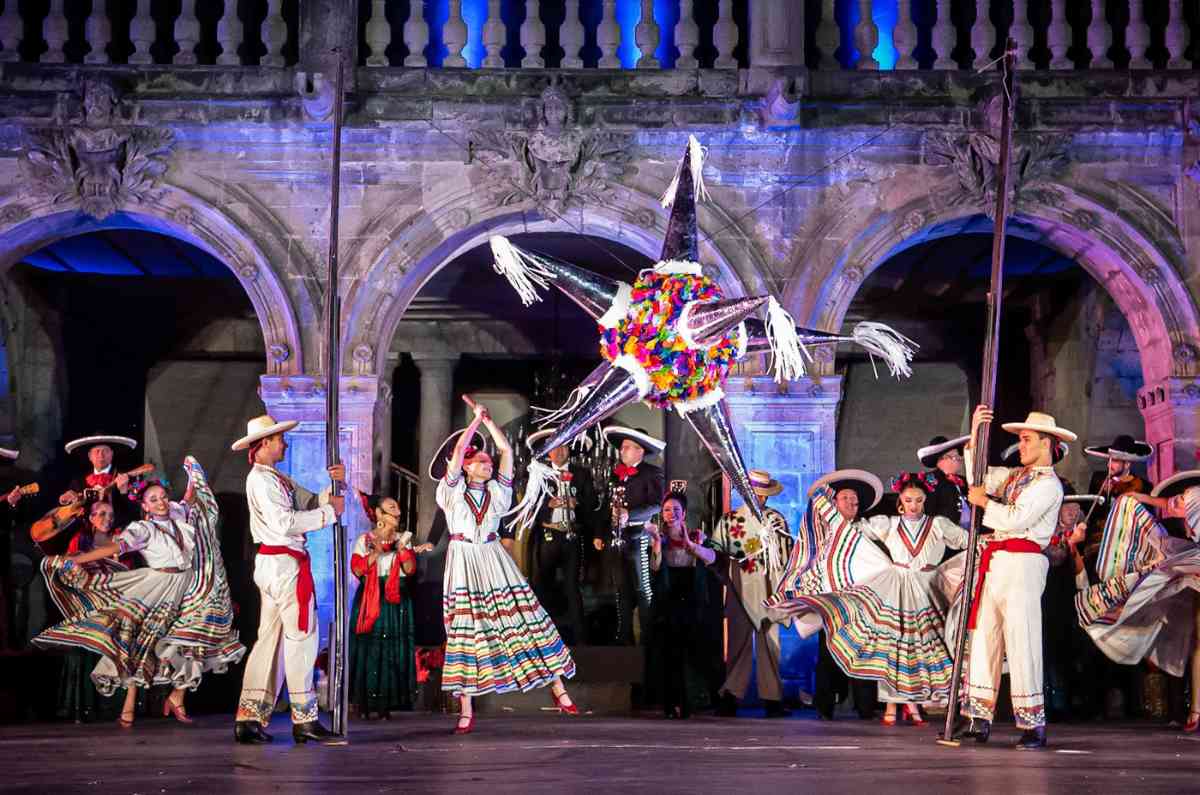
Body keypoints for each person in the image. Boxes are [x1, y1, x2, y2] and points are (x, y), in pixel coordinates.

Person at [35, 457, 245, 728]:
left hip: (189, 584)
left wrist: (193, 471)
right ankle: (129, 705)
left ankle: (177, 695)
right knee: (140, 643)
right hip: (159, 586)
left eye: (162, 498)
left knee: (202, 635)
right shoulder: (143, 529)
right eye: (153, 500)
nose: (160, 502)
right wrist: (78, 560)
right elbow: (113, 549)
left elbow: (190, 498)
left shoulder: (178, 515)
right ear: (144, 507)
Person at [770, 470, 967, 725]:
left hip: (926, 588)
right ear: (900, 501)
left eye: (918, 500)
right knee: (895, 645)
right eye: (908, 500)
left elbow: (965, 540)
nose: (913, 505)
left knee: (924, 645)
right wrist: (829, 515)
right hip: (896, 588)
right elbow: (856, 532)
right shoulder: (889, 523)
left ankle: (916, 705)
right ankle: (889, 706)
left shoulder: (938, 524)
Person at [437, 396, 576, 735]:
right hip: (464, 559)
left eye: (487, 461)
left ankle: (558, 688)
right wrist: (473, 424)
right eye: (480, 461)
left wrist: (488, 422)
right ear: (468, 467)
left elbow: (508, 454)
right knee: (466, 632)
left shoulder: (498, 493)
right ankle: (466, 710)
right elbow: (457, 455)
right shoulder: (450, 493)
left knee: (524, 617)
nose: (487, 465)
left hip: (493, 556)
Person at [960, 407, 1073, 749]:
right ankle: (979, 719)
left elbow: (1015, 517)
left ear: (1046, 443)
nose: (1020, 446)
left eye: (1026, 440)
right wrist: (976, 435)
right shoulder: (1015, 476)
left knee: (1021, 639)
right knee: (985, 637)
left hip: (1023, 562)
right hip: (997, 561)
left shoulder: (1049, 486)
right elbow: (978, 476)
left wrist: (984, 504)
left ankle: (1032, 724)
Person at [231, 415, 346, 745]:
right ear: (265, 443)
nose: (284, 442)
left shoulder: (272, 476)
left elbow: (309, 501)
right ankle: (304, 718)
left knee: (271, 639)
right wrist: (330, 514)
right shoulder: (263, 481)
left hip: (276, 562)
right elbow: (285, 522)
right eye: (279, 438)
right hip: (283, 563)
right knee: (301, 637)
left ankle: (250, 718)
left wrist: (334, 486)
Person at [1073, 469, 1200, 732]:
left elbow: (1171, 505)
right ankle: (1195, 710)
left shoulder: (1194, 496)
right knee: (1198, 639)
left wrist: (1137, 496)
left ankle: (1195, 710)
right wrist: (1136, 497)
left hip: (1192, 564)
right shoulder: (1193, 495)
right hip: (1194, 565)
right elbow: (1169, 504)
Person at [769, 469, 884, 721]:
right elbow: (811, 561)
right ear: (833, 503)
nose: (852, 503)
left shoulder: (866, 530)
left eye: (854, 499)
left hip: (861, 599)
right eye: (845, 498)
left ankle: (865, 707)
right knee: (829, 650)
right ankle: (825, 705)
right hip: (833, 598)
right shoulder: (823, 534)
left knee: (864, 648)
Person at [710, 469, 794, 718]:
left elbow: (787, 555)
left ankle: (772, 698)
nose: (760, 499)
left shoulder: (776, 519)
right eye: (756, 494)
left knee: (770, 644)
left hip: (769, 587)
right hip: (740, 588)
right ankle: (731, 697)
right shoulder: (729, 520)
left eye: (763, 495)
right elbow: (719, 554)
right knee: (738, 643)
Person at [349, 492, 429, 719]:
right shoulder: (364, 540)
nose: (398, 512)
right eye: (392, 508)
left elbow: (410, 570)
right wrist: (376, 551)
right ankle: (365, 703)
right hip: (372, 597)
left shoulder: (404, 538)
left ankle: (387, 704)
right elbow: (357, 570)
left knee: (394, 650)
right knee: (371, 649)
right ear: (378, 513)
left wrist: (402, 548)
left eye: (398, 508)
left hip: (397, 599)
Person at [524, 428, 598, 647]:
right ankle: (541, 641)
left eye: (562, 446)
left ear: (569, 450)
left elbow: (592, 504)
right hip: (547, 534)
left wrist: (578, 503)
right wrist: (548, 504)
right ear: (547, 453)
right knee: (541, 585)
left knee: (572, 587)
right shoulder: (539, 473)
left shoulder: (582, 473)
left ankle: (581, 641)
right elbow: (528, 509)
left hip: (571, 535)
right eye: (553, 448)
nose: (558, 452)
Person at [646, 489, 716, 719]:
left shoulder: (696, 536)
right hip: (667, 598)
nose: (671, 513)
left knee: (690, 653)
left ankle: (688, 703)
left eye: (676, 509)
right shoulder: (659, 538)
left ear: (684, 513)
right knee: (669, 653)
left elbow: (711, 558)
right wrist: (657, 541)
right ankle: (669, 704)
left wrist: (690, 545)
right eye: (667, 510)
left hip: (691, 598)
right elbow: (655, 567)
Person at [55, 500, 126, 723]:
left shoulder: (120, 540)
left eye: (111, 515)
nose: (107, 518)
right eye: (102, 514)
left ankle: (116, 705)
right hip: (88, 601)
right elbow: (69, 574)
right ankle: (86, 706)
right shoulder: (81, 541)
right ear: (91, 518)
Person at [597, 426, 665, 647]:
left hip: (639, 535)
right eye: (622, 447)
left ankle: (648, 639)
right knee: (622, 590)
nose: (622, 451)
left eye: (627, 447)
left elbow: (658, 504)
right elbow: (608, 508)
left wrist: (631, 514)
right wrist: (602, 533)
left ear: (640, 451)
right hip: (619, 537)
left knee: (643, 589)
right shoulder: (617, 474)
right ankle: (624, 640)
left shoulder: (651, 473)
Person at [58, 434, 140, 527]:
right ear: (89, 456)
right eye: (97, 451)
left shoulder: (126, 477)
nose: (101, 455)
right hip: (87, 534)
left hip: (118, 532)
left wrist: (124, 493)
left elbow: (136, 512)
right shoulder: (78, 481)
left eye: (105, 451)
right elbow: (66, 513)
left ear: (112, 454)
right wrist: (65, 500)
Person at [918, 435, 971, 526]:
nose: (960, 459)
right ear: (943, 459)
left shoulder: (963, 480)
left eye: (959, 456)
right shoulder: (928, 481)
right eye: (954, 457)